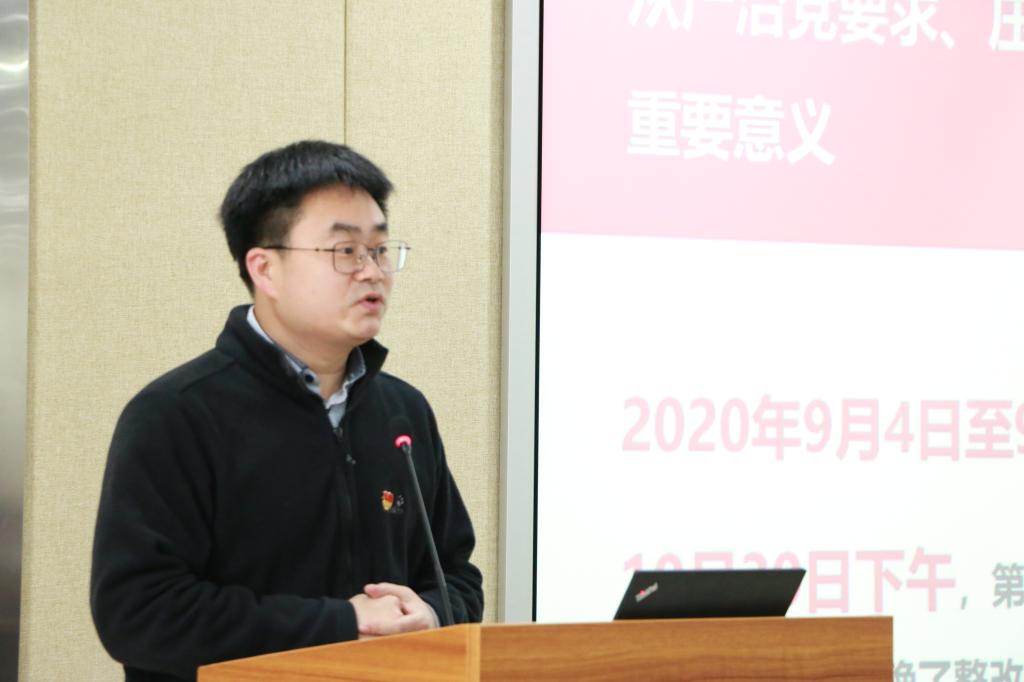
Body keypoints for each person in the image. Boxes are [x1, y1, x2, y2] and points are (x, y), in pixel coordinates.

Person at [90, 140, 483, 681]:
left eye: (380, 249)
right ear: (265, 269)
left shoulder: (403, 412)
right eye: (345, 251)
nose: (372, 271)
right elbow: (139, 614)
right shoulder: (175, 414)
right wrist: (342, 623)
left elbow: (457, 575)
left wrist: (433, 614)